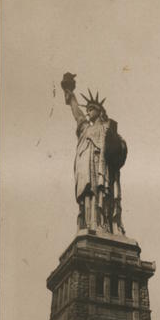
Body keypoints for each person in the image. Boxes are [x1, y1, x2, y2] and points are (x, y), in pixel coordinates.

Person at [61, 73, 127, 234]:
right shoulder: (85, 128)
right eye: (88, 109)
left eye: (91, 109)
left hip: (100, 166)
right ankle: (89, 224)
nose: (88, 112)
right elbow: (77, 113)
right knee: (88, 194)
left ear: (99, 111)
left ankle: (102, 225)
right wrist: (70, 93)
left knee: (101, 194)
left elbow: (121, 148)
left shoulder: (108, 128)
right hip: (86, 164)